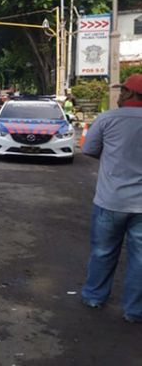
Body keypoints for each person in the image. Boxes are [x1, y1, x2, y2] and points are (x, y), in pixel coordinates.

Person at [80, 74, 142, 324]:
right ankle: (135, 311)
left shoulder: (108, 119)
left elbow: (89, 149)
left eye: (122, 91)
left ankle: (94, 297)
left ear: (129, 94)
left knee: (103, 252)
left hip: (111, 201)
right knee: (140, 260)